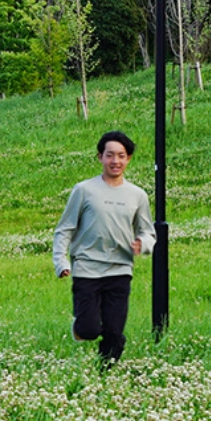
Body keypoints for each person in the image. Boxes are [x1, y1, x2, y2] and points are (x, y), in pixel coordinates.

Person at [53, 130, 154, 365]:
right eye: (110, 155)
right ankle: (81, 327)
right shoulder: (84, 190)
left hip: (120, 270)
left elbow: (147, 231)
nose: (115, 161)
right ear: (100, 157)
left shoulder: (137, 195)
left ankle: (105, 372)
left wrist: (144, 244)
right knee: (89, 329)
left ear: (128, 158)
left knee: (114, 331)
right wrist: (61, 262)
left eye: (121, 156)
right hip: (87, 268)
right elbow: (64, 229)